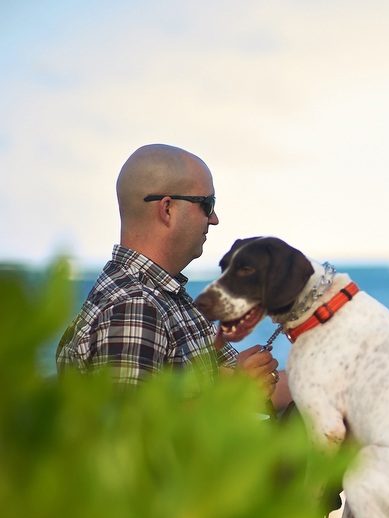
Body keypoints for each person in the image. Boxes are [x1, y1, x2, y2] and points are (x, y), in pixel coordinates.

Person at [57, 144, 291, 411]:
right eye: (207, 204)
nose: (214, 219)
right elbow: (131, 434)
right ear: (167, 209)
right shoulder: (135, 306)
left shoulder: (166, 298)